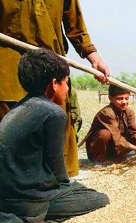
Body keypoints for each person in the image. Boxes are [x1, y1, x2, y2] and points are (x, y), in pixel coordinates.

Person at [0, 48, 110, 223]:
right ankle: (32, 220)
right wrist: (69, 189)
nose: (67, 89)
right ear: (54, 84)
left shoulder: (18, 107)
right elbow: (58, 173)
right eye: (66, 82)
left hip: (6, 195)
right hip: (28, 200)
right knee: (99, 199)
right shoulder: (53, 113)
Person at [0, 0, 110, 177]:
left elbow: (75, 23)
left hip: (51, 61)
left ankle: (56, 186)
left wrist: (92, 55)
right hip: (7, 62)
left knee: (54, 123)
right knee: (10, 128)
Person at [82, 84, 136, 163]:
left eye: (126, 98)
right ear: (110, 98)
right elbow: (117, 137)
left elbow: (135, 132)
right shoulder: (107, 113)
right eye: (120, 99)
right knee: (104, 134)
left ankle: (119, 156)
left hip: (116, 145)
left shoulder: (129, 111)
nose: (124, 102)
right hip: (101, 147)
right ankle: (99, 160)